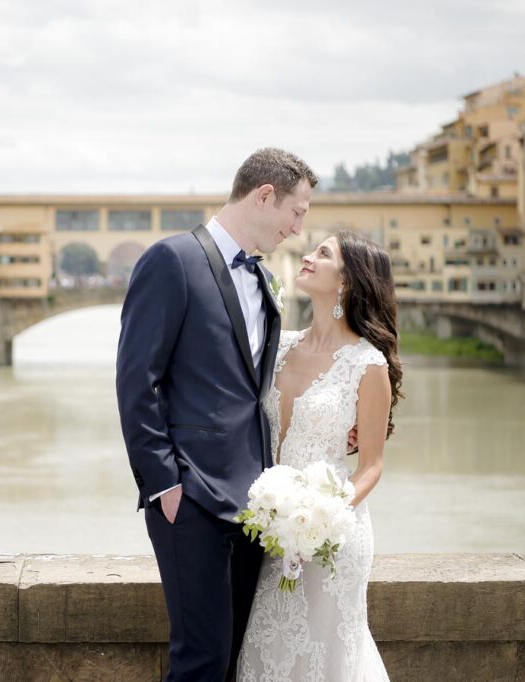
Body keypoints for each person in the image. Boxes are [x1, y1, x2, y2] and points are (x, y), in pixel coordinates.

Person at [117, 148, 320, 681]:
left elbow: (256, 382)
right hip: (191, 498)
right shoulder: (172, 260)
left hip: (254, 503)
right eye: (296, 213)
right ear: (265, 195)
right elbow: (137, 380)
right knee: (201, 660)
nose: (298, 229)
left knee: (233, 660)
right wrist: (164, 484)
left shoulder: (261, 279)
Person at [236, 230, 404, 681]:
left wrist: (326, 514)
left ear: (347, 281)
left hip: (332, 535)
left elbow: (371, 465)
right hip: (273, 527)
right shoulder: (279, 347)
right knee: (268, 646)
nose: (306, 257)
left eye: (322, 253)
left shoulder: (367, 365)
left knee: (327, 656)